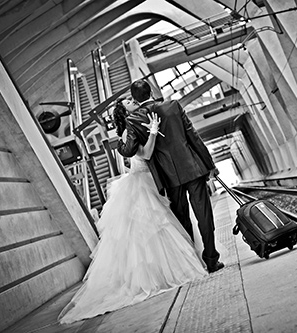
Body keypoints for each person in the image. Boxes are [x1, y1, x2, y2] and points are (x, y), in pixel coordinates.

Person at [58, 98, 208, 324]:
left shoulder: (133, 127)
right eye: (128, 102)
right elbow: (146, 155)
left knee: (161, 228)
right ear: (123, 112)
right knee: (153, 230)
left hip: (150, 181)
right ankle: (160, 274)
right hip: (141, 184)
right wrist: (154, 132)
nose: (132, 101)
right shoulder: (128, 135)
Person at [117, 79, 224, 273]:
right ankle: (211, 259)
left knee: (181, 218)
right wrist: (210, 165)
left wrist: (120, 144)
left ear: (134, 98)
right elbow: (193, 136)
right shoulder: (173, 105)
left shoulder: (132, 120)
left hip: (168, 177)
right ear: (151, 92)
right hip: (192, 168)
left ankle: (193, 261)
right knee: (204, 215)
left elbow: (130, 149)